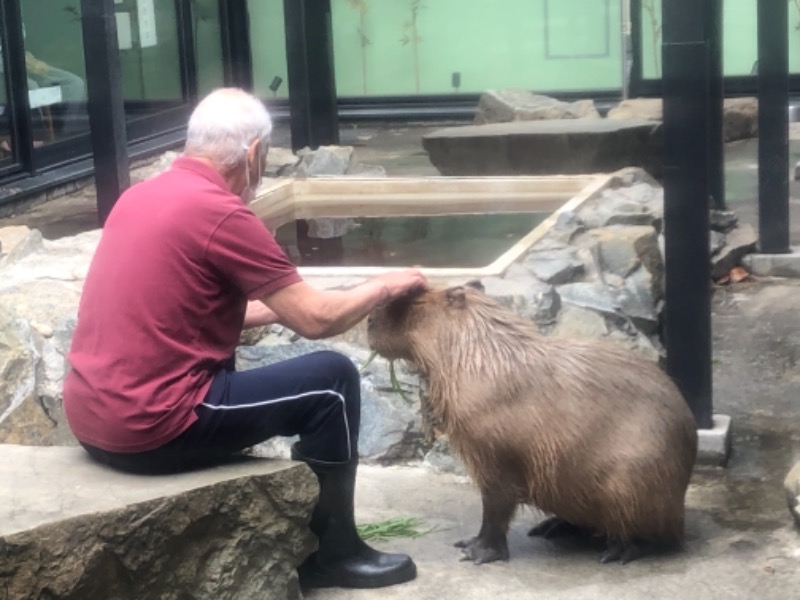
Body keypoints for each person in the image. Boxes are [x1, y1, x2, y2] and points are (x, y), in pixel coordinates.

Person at [62, 87, 426, 590]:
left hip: (90, 421)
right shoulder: (223, 213)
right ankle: (334, 552)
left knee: (299, 373)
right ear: (254, 153)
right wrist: (384, 285)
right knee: (332, 381)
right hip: (151, 430)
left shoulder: (139, 196)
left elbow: (175, 311)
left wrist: (325, 296)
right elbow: (316, 321)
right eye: (266, 158)